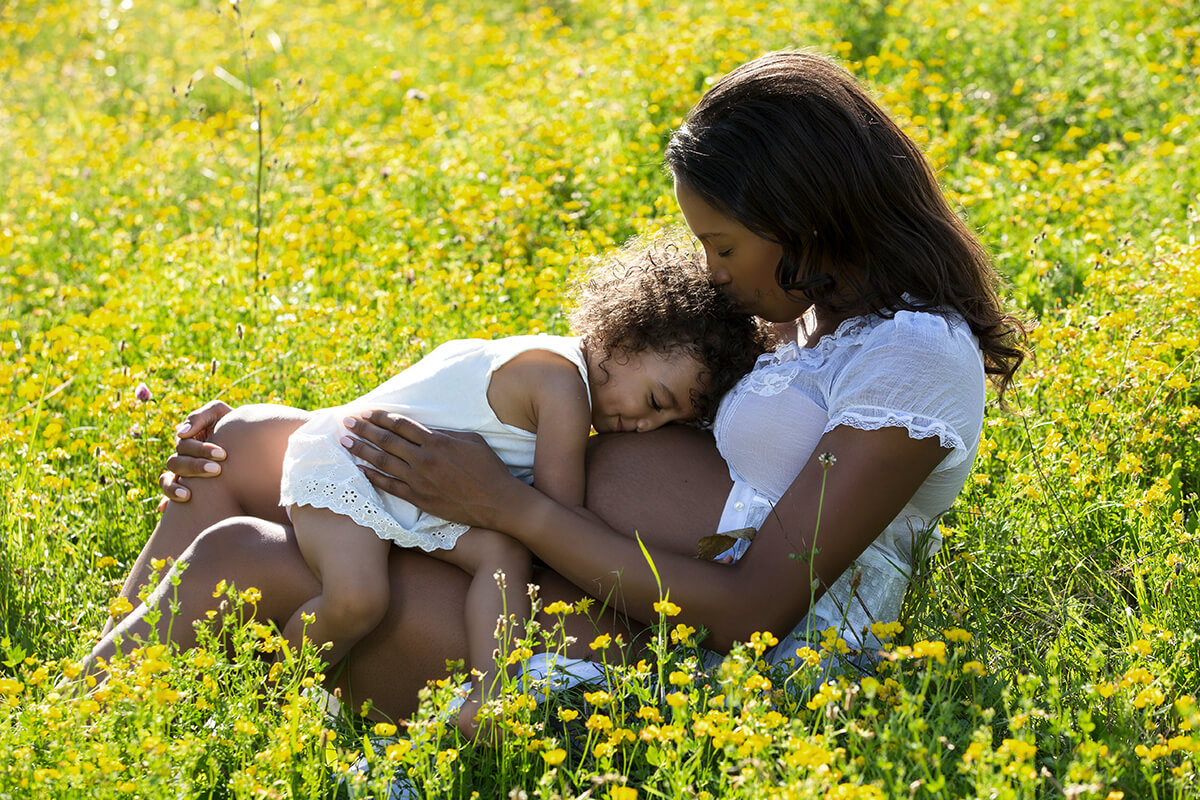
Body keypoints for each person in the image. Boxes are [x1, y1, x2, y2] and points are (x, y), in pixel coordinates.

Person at [113, 50, 1025, 720]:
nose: (711, 274)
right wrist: (336, 439)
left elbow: (756, 611)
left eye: (724, 246)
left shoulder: (913, 358)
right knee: (240, 444)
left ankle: (86, 721)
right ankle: (107, 685)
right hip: (578, 560)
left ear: (808, 218)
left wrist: (512, 513)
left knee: (245, 560)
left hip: (686, 648)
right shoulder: (804, 309)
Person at [87, 243, 768, 734]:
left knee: (496, 556)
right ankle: (270, 699)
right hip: (358, 473)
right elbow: (560, 519)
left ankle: (485, 694)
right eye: (655, 399)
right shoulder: (561, 386)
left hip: (384, 475)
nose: (645, 424)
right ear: (622, 336)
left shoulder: (546, 364)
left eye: (672, 420)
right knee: (357, 597)